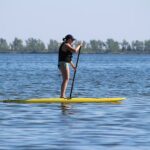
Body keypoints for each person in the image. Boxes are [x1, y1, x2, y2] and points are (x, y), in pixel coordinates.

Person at [58, 34, 82, 99]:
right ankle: (62, 95)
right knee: (66, 79)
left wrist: (73, 66)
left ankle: (62, 95)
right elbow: (75, 51)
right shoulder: (66, 45)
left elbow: (68, 59)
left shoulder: (67, 45)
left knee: (65, 79)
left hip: (63, 63)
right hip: (63, 64)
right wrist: (79, 46)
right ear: (69, 39)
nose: (73, 41)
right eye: (72, 40)